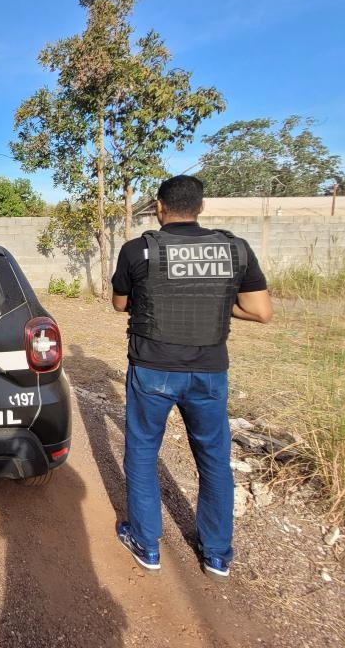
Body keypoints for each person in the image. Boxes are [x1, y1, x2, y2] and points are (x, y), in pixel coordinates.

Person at [111, 175, 272, 580]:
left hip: (152, 368)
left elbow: (120, 304)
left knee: (143, 453)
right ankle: (216, 555)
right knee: (214, 459)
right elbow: (261, 311)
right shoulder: (235, 249)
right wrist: (218, 304)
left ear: (159, 207)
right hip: (209, 372)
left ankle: (146, 544)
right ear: (201, 207)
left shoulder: (138, 250)